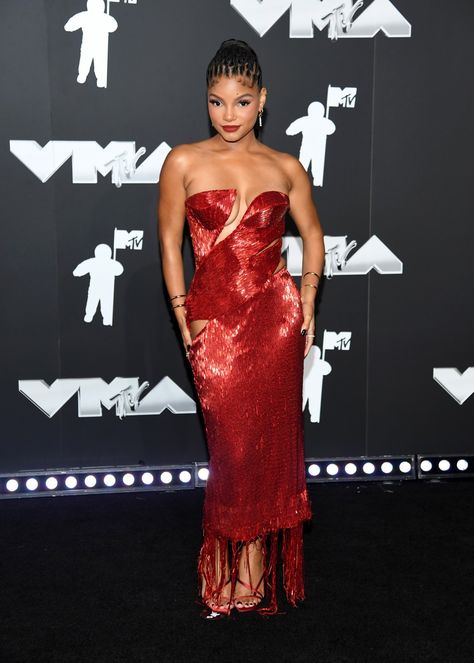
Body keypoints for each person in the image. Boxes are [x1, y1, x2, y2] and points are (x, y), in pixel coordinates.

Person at [157, 39, 325, 618]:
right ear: (207, 102)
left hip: (273, 322)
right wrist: (183, 315)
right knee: (231, 450)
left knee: (262, 450)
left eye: (242, 101)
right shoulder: (182, 160)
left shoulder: (285, 166)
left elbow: (314, 238)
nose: (228, 115)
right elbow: (169, 246)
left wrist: (305, 306)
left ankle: (250, 574)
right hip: (214, 321)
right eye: (217, 102)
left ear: (263, 102)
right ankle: (222, 570)